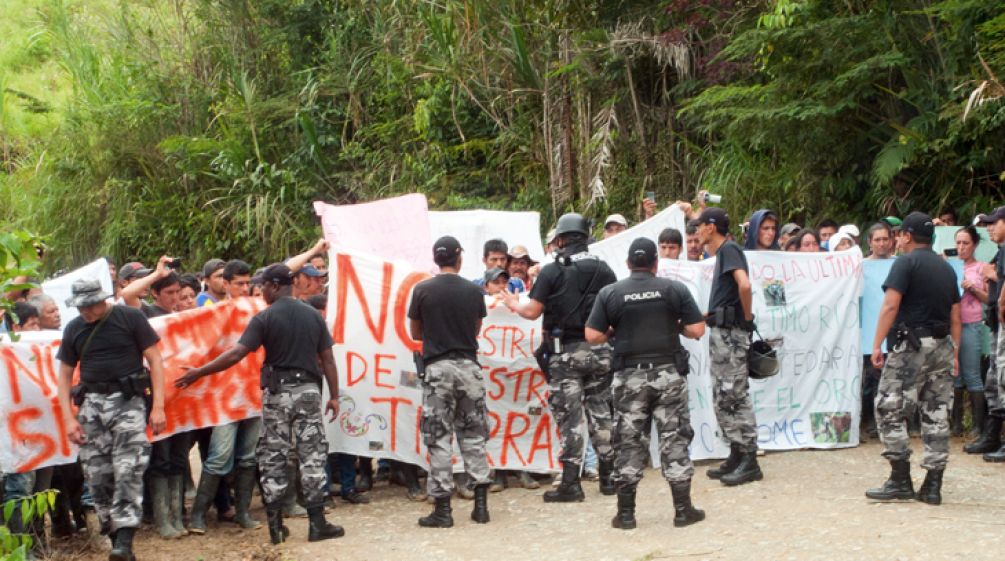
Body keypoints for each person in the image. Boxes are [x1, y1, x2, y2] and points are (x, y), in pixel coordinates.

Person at [175, 263, 345, 545]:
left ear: (275, 286)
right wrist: (335, 396)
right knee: (312, 456)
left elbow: (236, 354)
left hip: (277, 393)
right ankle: (318, 524)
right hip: (308, 393)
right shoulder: (313, 316)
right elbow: (327, 359)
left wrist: (199, 372)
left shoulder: (264, 318)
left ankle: (276, 527)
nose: (261, 291)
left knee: (273, 457)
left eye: (264, 285)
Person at [585, 238, 707, 530]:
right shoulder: (674, 289)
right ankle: (682, 510)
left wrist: (615, 329)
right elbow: (697, 329)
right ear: (655, 263)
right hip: (668, 375)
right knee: (674, 439)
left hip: (629, 378)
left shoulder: (611, 293)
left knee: (628, 442)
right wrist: (674, 325)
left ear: (628, 264)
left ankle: (626, 514)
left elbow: (592, 335)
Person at [501, 213, 618, 502]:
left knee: (570, 418)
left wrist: (513, 302)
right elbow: (614, 311)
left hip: (565, 353)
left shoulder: (552, 271)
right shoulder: (604, 269)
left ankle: (570, 483)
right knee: (601, 413)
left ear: (562, 239)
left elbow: (532, 312)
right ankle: (608, 478)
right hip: (600, 351)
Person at [56, 279, 167, 561]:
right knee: (98, 476)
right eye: (79, 307)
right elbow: (65, 374)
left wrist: (158, 407)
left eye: (88, 306)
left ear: (100, 300)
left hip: (128, 402)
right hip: (92, 406)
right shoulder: (74, 328)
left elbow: (155, 359)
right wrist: (69, 418)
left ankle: (125, 540)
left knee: (128, 468)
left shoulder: (129, 318)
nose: (84, 312)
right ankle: (116, 536)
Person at [866, 212, 961, 505]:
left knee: (888, 407)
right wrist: (955, 351)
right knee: (936, 413)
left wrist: (877, 343)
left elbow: (890, 306)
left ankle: (900, 478)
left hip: (912, 345)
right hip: (943, 345)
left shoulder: (905, 262)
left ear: (905, 236)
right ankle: (933, 485)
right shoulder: (946, 268)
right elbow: (955, 315)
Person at [406, 236, 492, 527]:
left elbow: (416, 333)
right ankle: (481, 504)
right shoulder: (473, 290)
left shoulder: (422, 290)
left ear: (436, 258)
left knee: (438, 437)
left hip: (437, 369)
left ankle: (442, 510)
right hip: (469, 367)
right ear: (458, 258)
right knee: (474, 434)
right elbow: (476, 328)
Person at [694, 207, 762, 486]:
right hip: (722, 331)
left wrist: (745, 319)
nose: (697, 230)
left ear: (711, 227)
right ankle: (736, 452)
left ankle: (749, 459)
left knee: (734, 394)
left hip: (732, 334)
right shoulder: (721, 254)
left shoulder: (730, 249)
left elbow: (744, 286)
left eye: (700, 225)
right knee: (724, 396)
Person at [975, 206, 1005, 462]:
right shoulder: (1000, 251)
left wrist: (992, 273)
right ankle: (992, 434)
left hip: (1002, 322)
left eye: (994, 223)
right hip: (996, 323)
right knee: (994, 381)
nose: (989, 228)